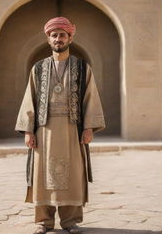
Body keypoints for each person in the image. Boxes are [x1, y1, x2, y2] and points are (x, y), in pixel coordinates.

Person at [15, 17, 105, 234]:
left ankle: (70, 221)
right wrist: (28, 130)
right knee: (42, 175)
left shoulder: (83, 68)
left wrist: (88, 127)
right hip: (43, 130)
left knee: (73, 174)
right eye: (54, 35)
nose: (58, 38)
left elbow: (91, 98)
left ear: (70, 37)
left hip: (72, 129)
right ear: (48, 39)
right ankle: (43, 222)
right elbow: (30, 98)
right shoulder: (38, 69)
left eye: (62, 34)